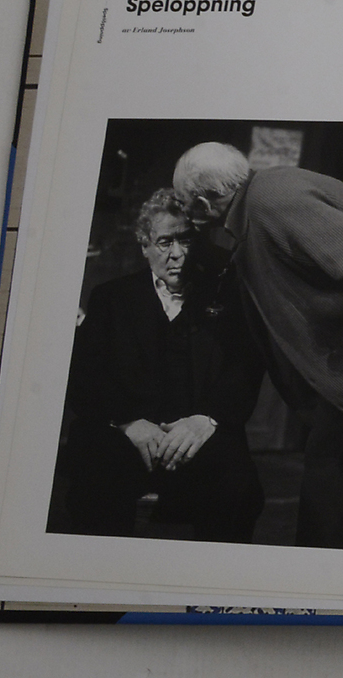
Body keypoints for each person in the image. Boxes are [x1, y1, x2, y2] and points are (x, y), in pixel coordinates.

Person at [173, 142, 343, 548]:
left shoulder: (273, 201)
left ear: (205, 203)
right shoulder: (259, 203)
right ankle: (321, 563)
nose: (185, 213)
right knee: (330, 459)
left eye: (183, 203)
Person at [57, 189, 264, 542]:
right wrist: (129, 422)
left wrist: (206, 420)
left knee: (238, 487)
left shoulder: (225, 298)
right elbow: (85, 379)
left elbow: (243, 370)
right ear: (145, 246)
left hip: (197, 434)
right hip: (126, 434)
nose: (177, 254)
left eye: (185, 240)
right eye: (165, 242)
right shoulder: (111, 298)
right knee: (94, 478)